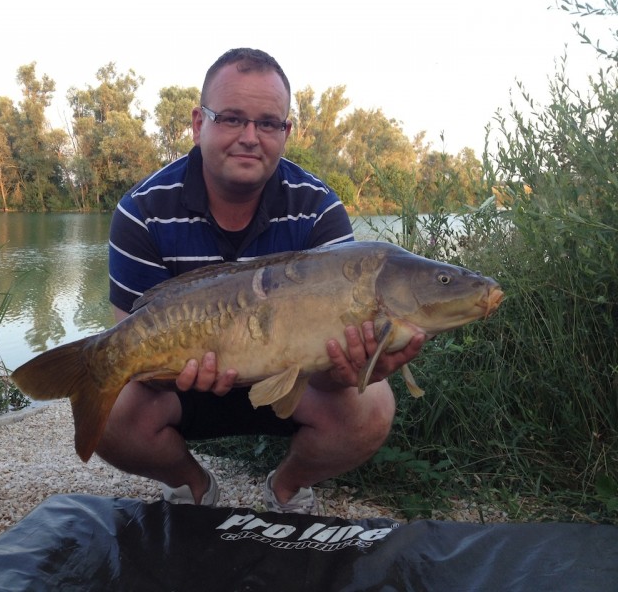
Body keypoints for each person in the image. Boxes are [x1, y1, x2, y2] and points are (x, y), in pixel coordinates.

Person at [99, 48, 425, 514]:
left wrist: (354, 370)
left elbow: (333, 379)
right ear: (198, 123)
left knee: (372, 405)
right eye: (231, 118)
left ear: (285, 133)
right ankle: (192, 486)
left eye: (268, 123)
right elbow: (133, 360)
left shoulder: (318, 209)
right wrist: (171, 375)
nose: (250, 137)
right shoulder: (142, 212)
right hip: (183, 386)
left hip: (295, 381)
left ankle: (287, 487)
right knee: (112, 408)